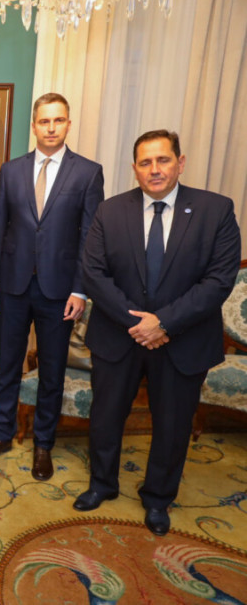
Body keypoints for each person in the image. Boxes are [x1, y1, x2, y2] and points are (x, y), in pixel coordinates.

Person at [74, 130, 240, 536]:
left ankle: (158, 498)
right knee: (105, 416)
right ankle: (102, 484)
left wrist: (163, 323)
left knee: (173, 424)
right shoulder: (110, 211)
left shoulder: (215, 210)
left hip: (184, 340)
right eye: (145, 162)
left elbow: (218, 280)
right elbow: (93, 274)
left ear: (180, 163)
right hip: (119, 337)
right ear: (134, 169)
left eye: (163, 160)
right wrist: (140, 324)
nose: (154, 169)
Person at [0, 93, 104, 480]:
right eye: (44, 121)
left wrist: (80, 290)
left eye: (58, 120)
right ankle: (2, 434)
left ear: (68, 124)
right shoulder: (11, 171)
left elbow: (90, 238)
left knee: (52, 371)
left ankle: (43, 444)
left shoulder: (88, 173)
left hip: (60, 292)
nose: (51, 127)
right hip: (11, 286)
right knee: (8, 366)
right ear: (33, 125)